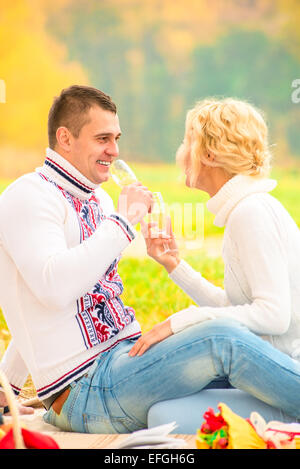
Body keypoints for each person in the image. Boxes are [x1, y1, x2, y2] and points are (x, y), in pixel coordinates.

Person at [0, 89, 299, 434]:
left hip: (125, 364)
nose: (114, 150)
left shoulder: (97, 200)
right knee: (222, 337)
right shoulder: (27, 196)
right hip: (91, 387)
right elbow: (51, 292)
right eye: (102, 138)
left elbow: (46, 309)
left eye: (116, 138)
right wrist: (123, 223)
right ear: (65, 138)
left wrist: (5, 383)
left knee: (228, 360)